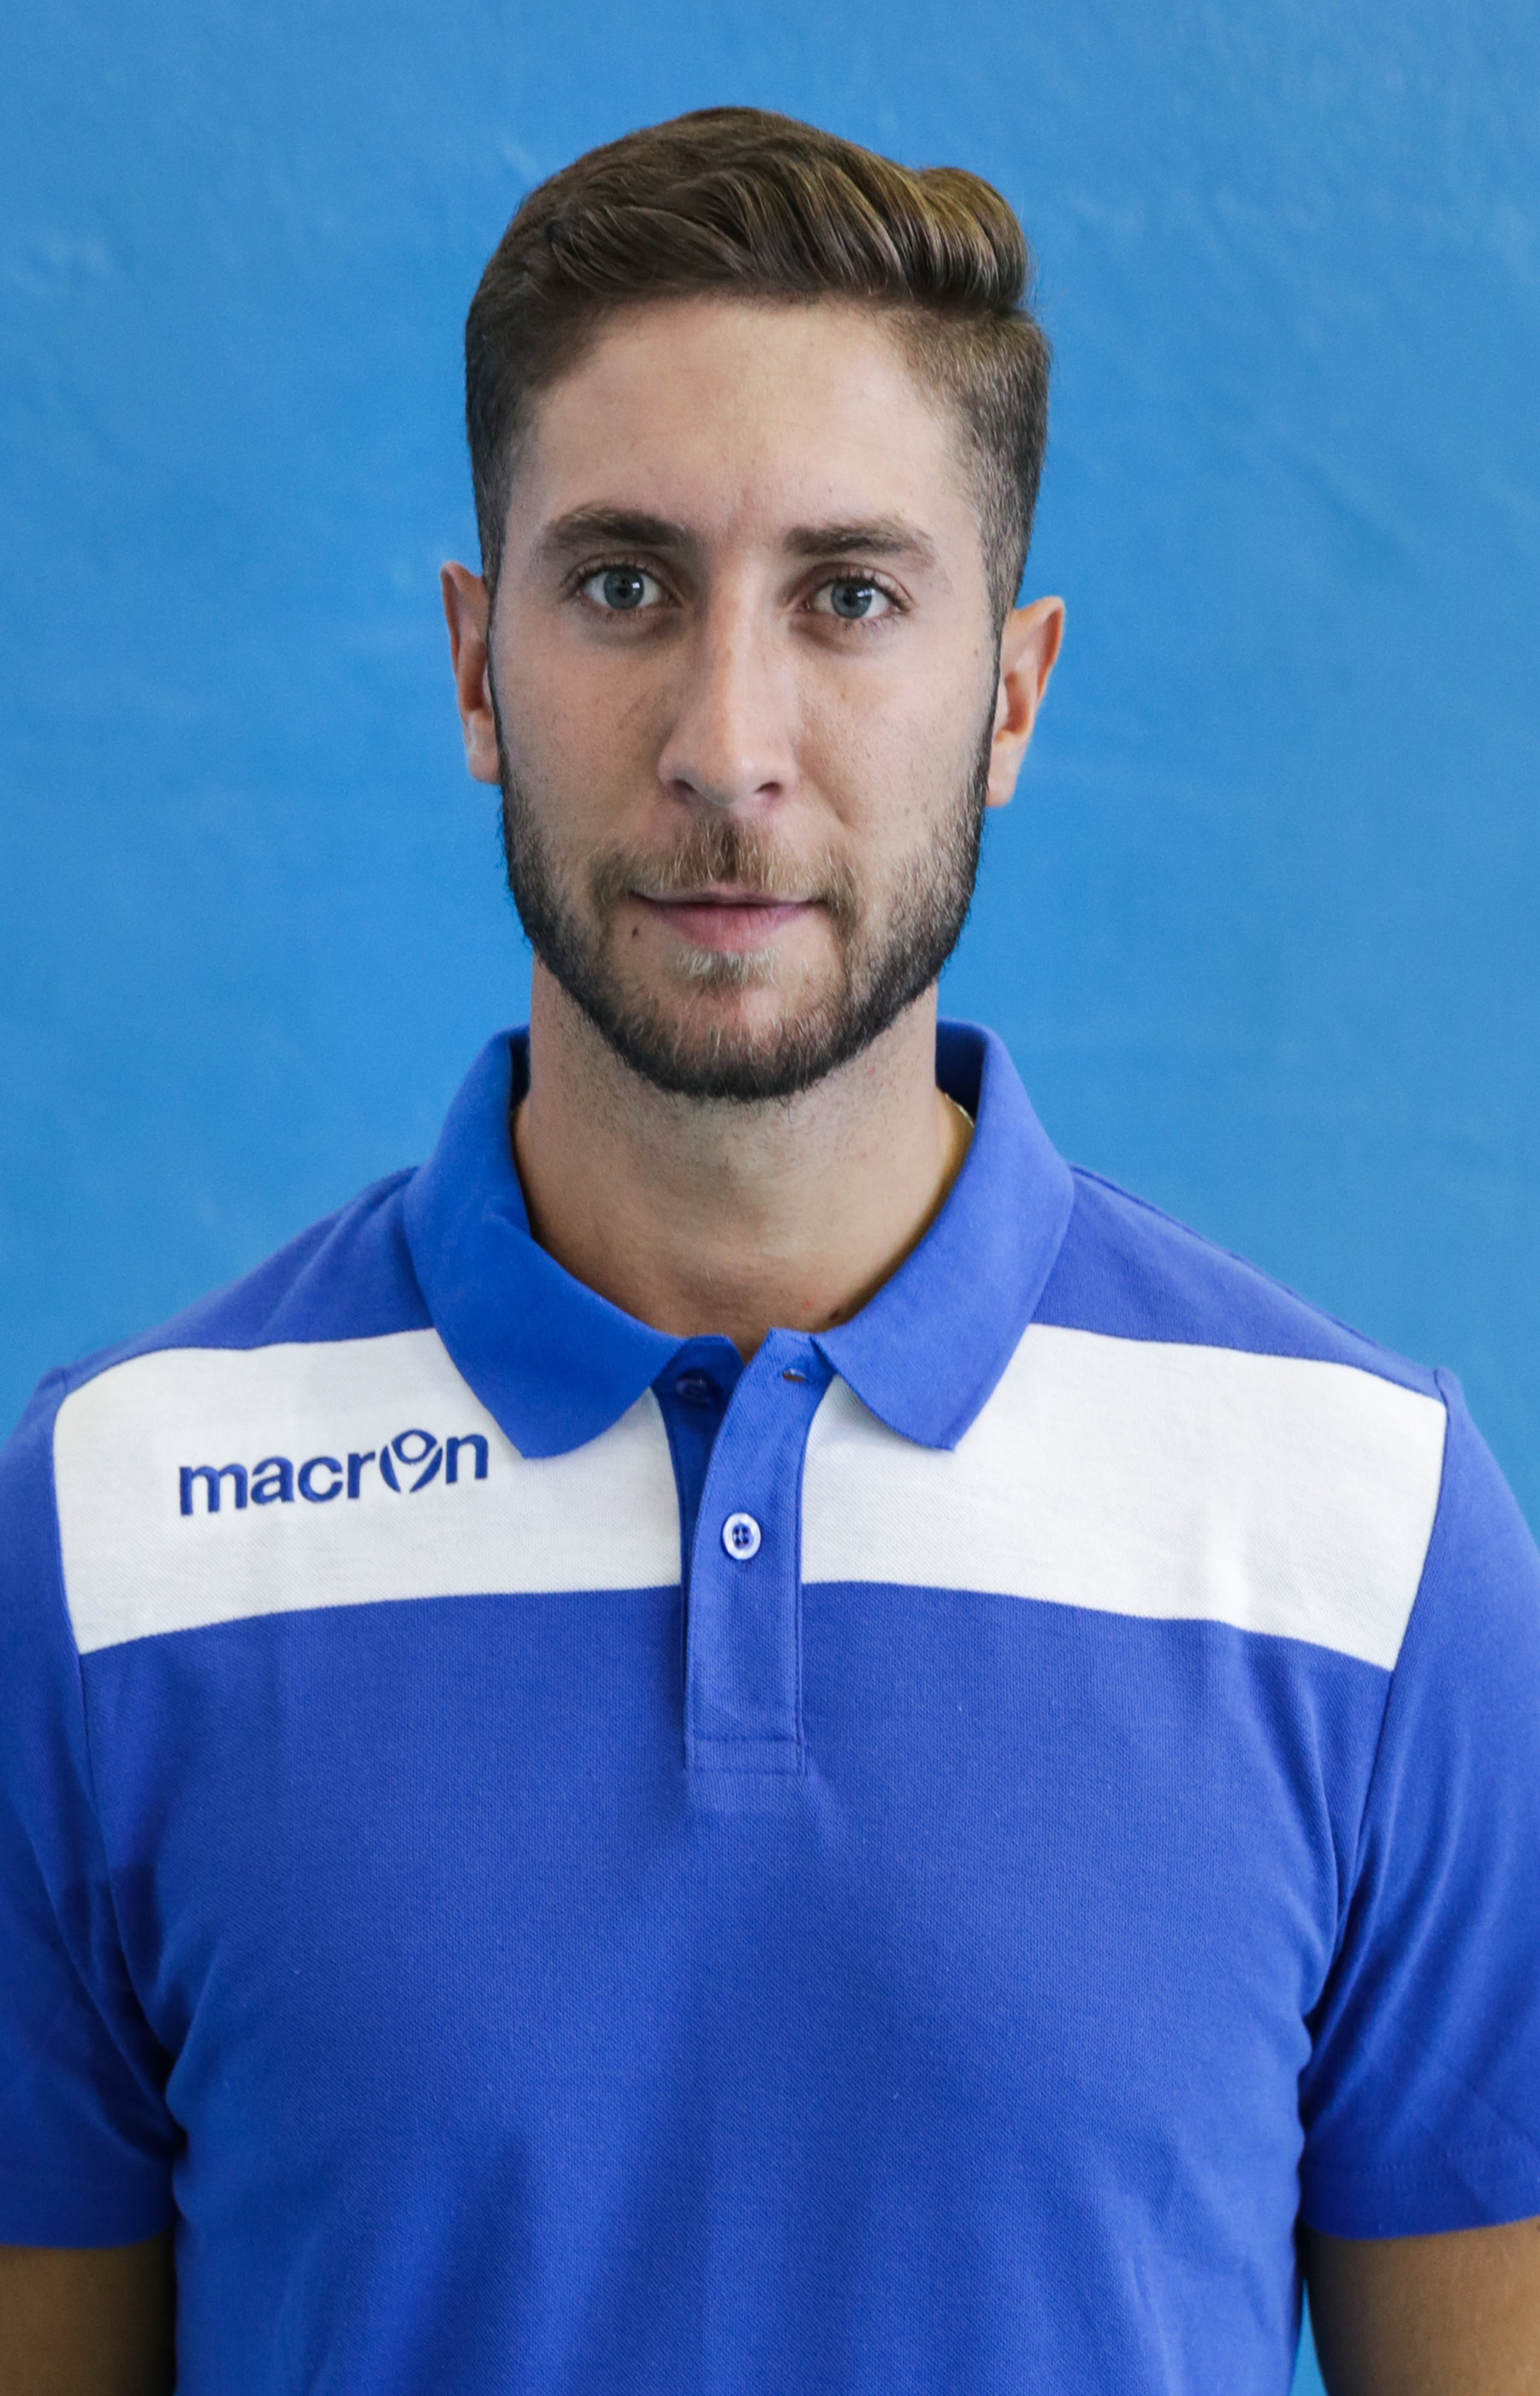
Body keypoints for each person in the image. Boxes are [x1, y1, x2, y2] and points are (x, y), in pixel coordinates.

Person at [2, 105, 1537, 2396]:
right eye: (623, 585)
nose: (730, 747)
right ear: (473, 666)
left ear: (1010, 694)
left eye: (851, 597)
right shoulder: (106, 1545)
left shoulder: (1369, 1539)